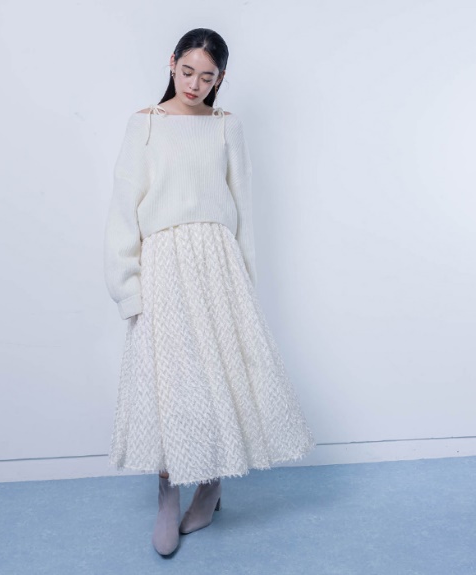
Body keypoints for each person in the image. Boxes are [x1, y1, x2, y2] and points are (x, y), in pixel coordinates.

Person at [103, 28, 315, 556]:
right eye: (187, 71)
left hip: (218, 265)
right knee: (170, 383)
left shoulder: (227, 127)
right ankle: (167, 493)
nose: (195, 84)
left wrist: (245, 281)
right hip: (163, 266)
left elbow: (243, 208)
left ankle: (212, 484)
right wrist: (128, 288)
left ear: (221, 78)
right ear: (171, 63)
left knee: (221, 377)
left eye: (207, 76)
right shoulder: (144, 125)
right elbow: (123, 210)